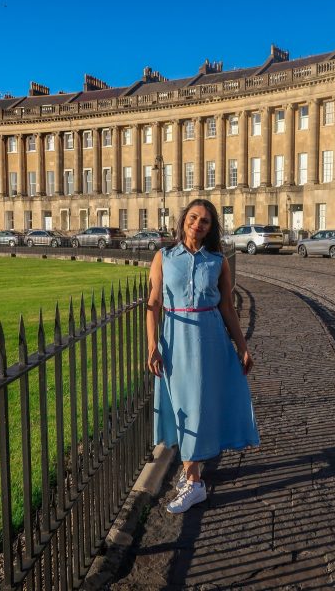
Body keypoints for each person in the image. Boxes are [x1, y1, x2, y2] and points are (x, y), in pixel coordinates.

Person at [146, 199, 259, 514]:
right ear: (184, 221)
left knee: (197, 406)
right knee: (182, 405)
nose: (198, 224)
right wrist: (152, 345)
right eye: (193, 218)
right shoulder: (164, 258)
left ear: (211, 228)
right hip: (175, 338)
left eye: (205, 221)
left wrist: (242, 346)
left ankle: (194, 483)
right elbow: (154, 304)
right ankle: (192, 475)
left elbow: (226, 308)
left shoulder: (217, 261)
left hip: (209, 338)